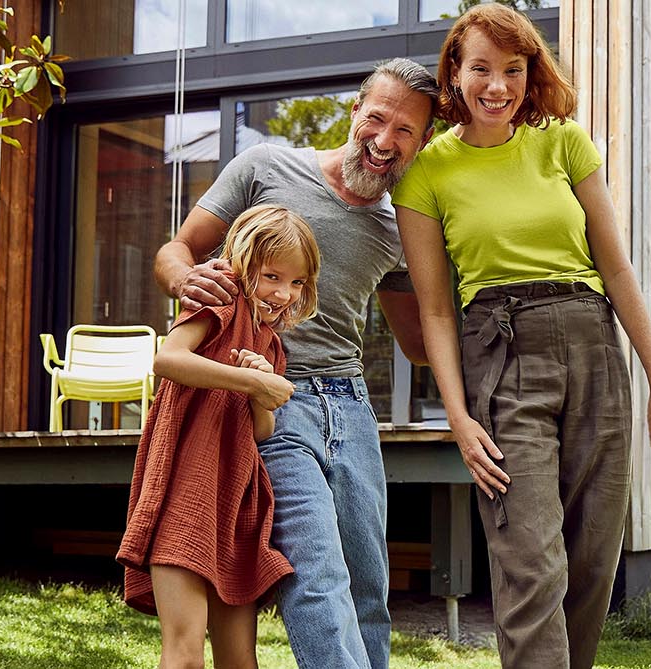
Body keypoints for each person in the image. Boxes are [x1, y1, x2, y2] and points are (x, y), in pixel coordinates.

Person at [388, 5, 651, 668]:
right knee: (532, 562)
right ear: (454, 72)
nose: (498, 86)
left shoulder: (563, 142)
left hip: (594, 345)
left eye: (513, 69)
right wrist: (459, 418)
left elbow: (616, 266)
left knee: (591, 559)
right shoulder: (426, 173)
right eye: (482, 69)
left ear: (531, 73)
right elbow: (437, 310)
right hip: (501, 353)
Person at [153, 58, 441, 669]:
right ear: (355, 110)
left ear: (423, 142)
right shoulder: (265, 167)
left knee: (368, 585)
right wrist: (185, 278)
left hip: (353, 407)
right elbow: (177, 249)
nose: (386, 141)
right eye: (377, 119)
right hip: (273, 397)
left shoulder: (398, 229)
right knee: (317, 575)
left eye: (406, 132)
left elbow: (419, 342)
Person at [117, 205, 318, 669]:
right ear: (244, 263)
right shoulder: (220, 303)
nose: (284, 293)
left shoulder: (271, 342)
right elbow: (168, 359)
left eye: (297, 282)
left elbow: (261, 431)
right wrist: (250, 383)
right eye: (272, 276)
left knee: (241, 660)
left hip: (235, 505)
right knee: (185, 655)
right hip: (186, 495)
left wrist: (260, 393)